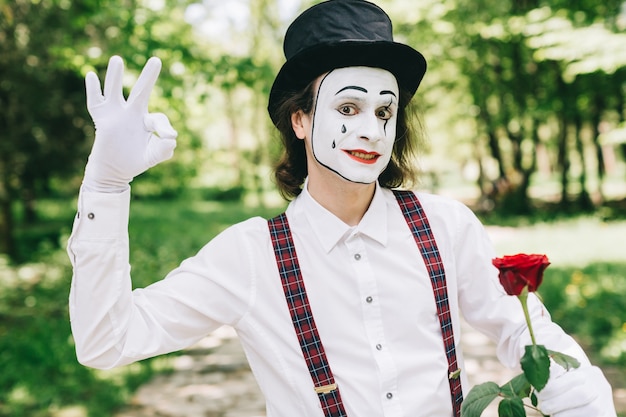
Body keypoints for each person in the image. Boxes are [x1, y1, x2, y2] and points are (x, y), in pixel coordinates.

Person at [67, 1, 617, 416]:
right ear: (301, 120)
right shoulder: (249, 255)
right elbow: (106, 342)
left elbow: (527, 333)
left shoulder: (447, 227)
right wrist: (107, 186)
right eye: (348, 106)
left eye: (385, 111)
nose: (370, 130)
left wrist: (584, 404)